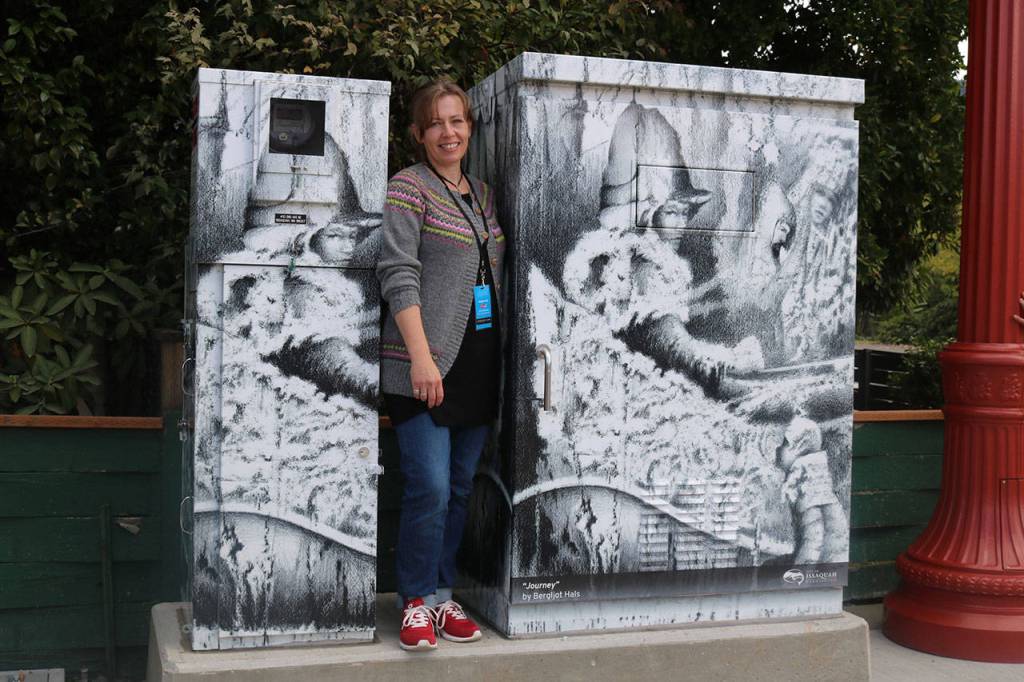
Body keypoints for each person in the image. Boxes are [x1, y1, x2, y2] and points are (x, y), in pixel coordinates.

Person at [377, 79, 505, 651]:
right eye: (436, 124)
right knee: (426, 485)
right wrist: (423, 359)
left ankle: (441, 595)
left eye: (456, 121)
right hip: (423, 364)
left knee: (458, 488)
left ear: (469, 128)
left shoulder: (481, 193)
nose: (447, 132)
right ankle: (412, 603)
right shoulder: (409, 188)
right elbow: (397, 273)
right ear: (418, 134)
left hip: (477, 362)